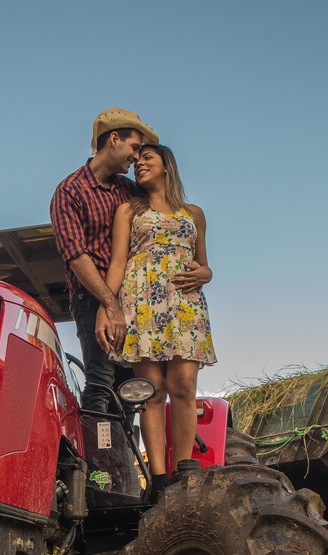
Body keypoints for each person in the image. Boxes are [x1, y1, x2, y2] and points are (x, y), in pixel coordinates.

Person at [100, 143, 215, 496]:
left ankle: (185, 473)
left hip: (184, 303)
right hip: (143, 302)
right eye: (137, 162)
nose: (140, 165)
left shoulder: (193, 213)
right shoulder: (128, 211)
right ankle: (159, 479)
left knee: (183, 387)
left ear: (167, 165)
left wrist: (206, 274)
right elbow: (118, 262)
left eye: (147, 158)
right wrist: (109, 308)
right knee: (151, 392)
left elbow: (205, 263)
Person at [51, 108, 166, 412]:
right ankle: (100, 457)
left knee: (132, 387)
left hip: (133, 300)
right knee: (101, 381)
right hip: (91, 300)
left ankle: (124, 457)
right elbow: (76, 255)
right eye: (134, 147)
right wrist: (108, 303)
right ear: (114, 139)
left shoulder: (129, 191)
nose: (137, 157)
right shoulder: (69, 191)